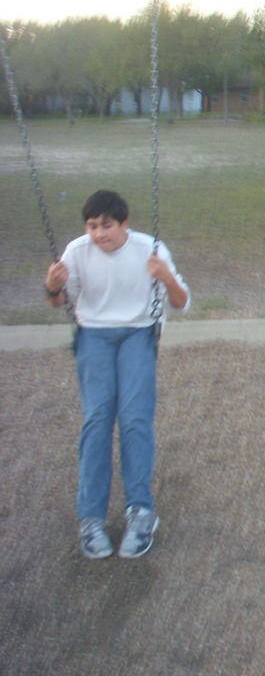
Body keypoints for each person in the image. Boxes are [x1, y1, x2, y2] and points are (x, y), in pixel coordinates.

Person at [44, 190, 191, 560]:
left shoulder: (150, 248)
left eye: (106, 226)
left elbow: (181, 303)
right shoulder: (77, 251)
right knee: (97, 419)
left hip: (138, 331)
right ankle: (91, 517)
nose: (98, 235)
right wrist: (52, 287)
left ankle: (141, 512)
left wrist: (167, 277)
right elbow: (60, 300)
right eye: (92, 226)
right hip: (93, 332)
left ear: (124, 224)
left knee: (134, 419)